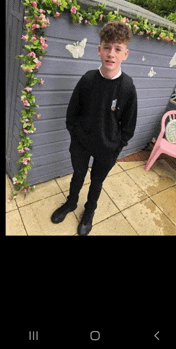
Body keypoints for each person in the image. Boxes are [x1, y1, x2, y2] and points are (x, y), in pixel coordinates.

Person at [51, 20, 137, 235]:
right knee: (78, 176)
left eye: (118, 49)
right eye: (107, 47)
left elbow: (129, 125)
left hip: (107, 148)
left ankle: (89, 211)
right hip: (81, 144)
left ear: (125, 54)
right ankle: (71, 203)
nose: (111, 54)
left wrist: (116, 148)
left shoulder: (127, 87)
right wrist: (75, 136)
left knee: (96, 182)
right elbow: (72, 113)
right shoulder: (88, 79)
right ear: (99, 50)